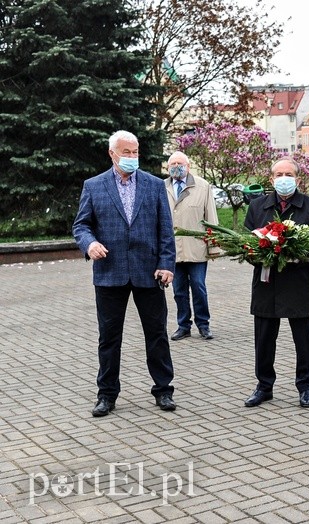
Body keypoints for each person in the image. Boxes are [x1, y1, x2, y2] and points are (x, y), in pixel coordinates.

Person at [72, 130, 177, 417]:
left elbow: (165, 230)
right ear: (112, 154)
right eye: (126, 152)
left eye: (135, 152)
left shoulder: (154, 185)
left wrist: (167, 264)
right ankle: (107, 395)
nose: (132, 157)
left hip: (149, 271)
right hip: (110, 272)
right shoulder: (94, 186)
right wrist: (90, 244)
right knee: (109, 338)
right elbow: (81, 225)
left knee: (157, 334)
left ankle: (163, 390)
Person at [242, 158, 309, 409]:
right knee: (264, 339)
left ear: (298, 179)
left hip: (300, 283)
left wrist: (295, 253)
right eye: (279, 174)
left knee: (304, 339)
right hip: (267, 283)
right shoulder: (257, 206)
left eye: (289, 174)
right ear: (271, 179)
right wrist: (262, 254)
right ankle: (264, 386)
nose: (284, 179)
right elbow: (246, 243)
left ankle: (305, 386)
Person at [165, 151, 219, 341]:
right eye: (172, 164)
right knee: (178, 291)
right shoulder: (162, 187)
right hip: (172, 250)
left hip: (197, 249)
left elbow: (211, 218)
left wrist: (214, 247)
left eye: (180, 163)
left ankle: (203, 324)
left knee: (198, 287)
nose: (176, 167)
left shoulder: (202, 186)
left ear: (188, 166)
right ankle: (183, 326)